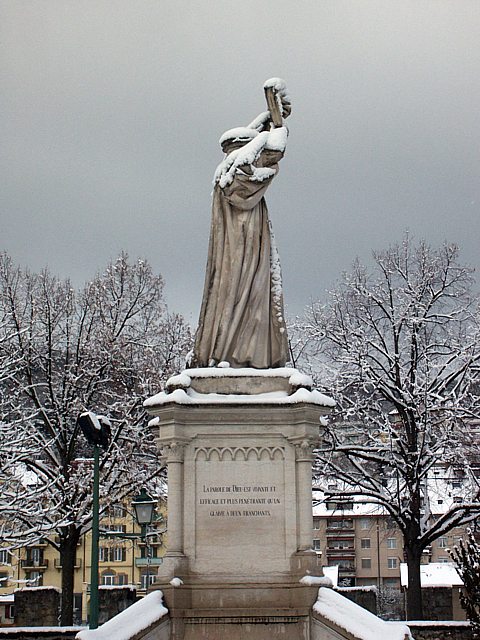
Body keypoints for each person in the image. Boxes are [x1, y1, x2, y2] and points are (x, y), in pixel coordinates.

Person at [190, 118, 289, 369]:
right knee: (246, 298)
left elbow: (258, 153)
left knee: (246, 299)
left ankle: (237, 352)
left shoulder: (224, 174)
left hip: (242, 250)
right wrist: (273, 132)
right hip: (242, 251)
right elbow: (268, 155)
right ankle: (239, 355)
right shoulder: (238, 175)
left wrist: (268, 117)